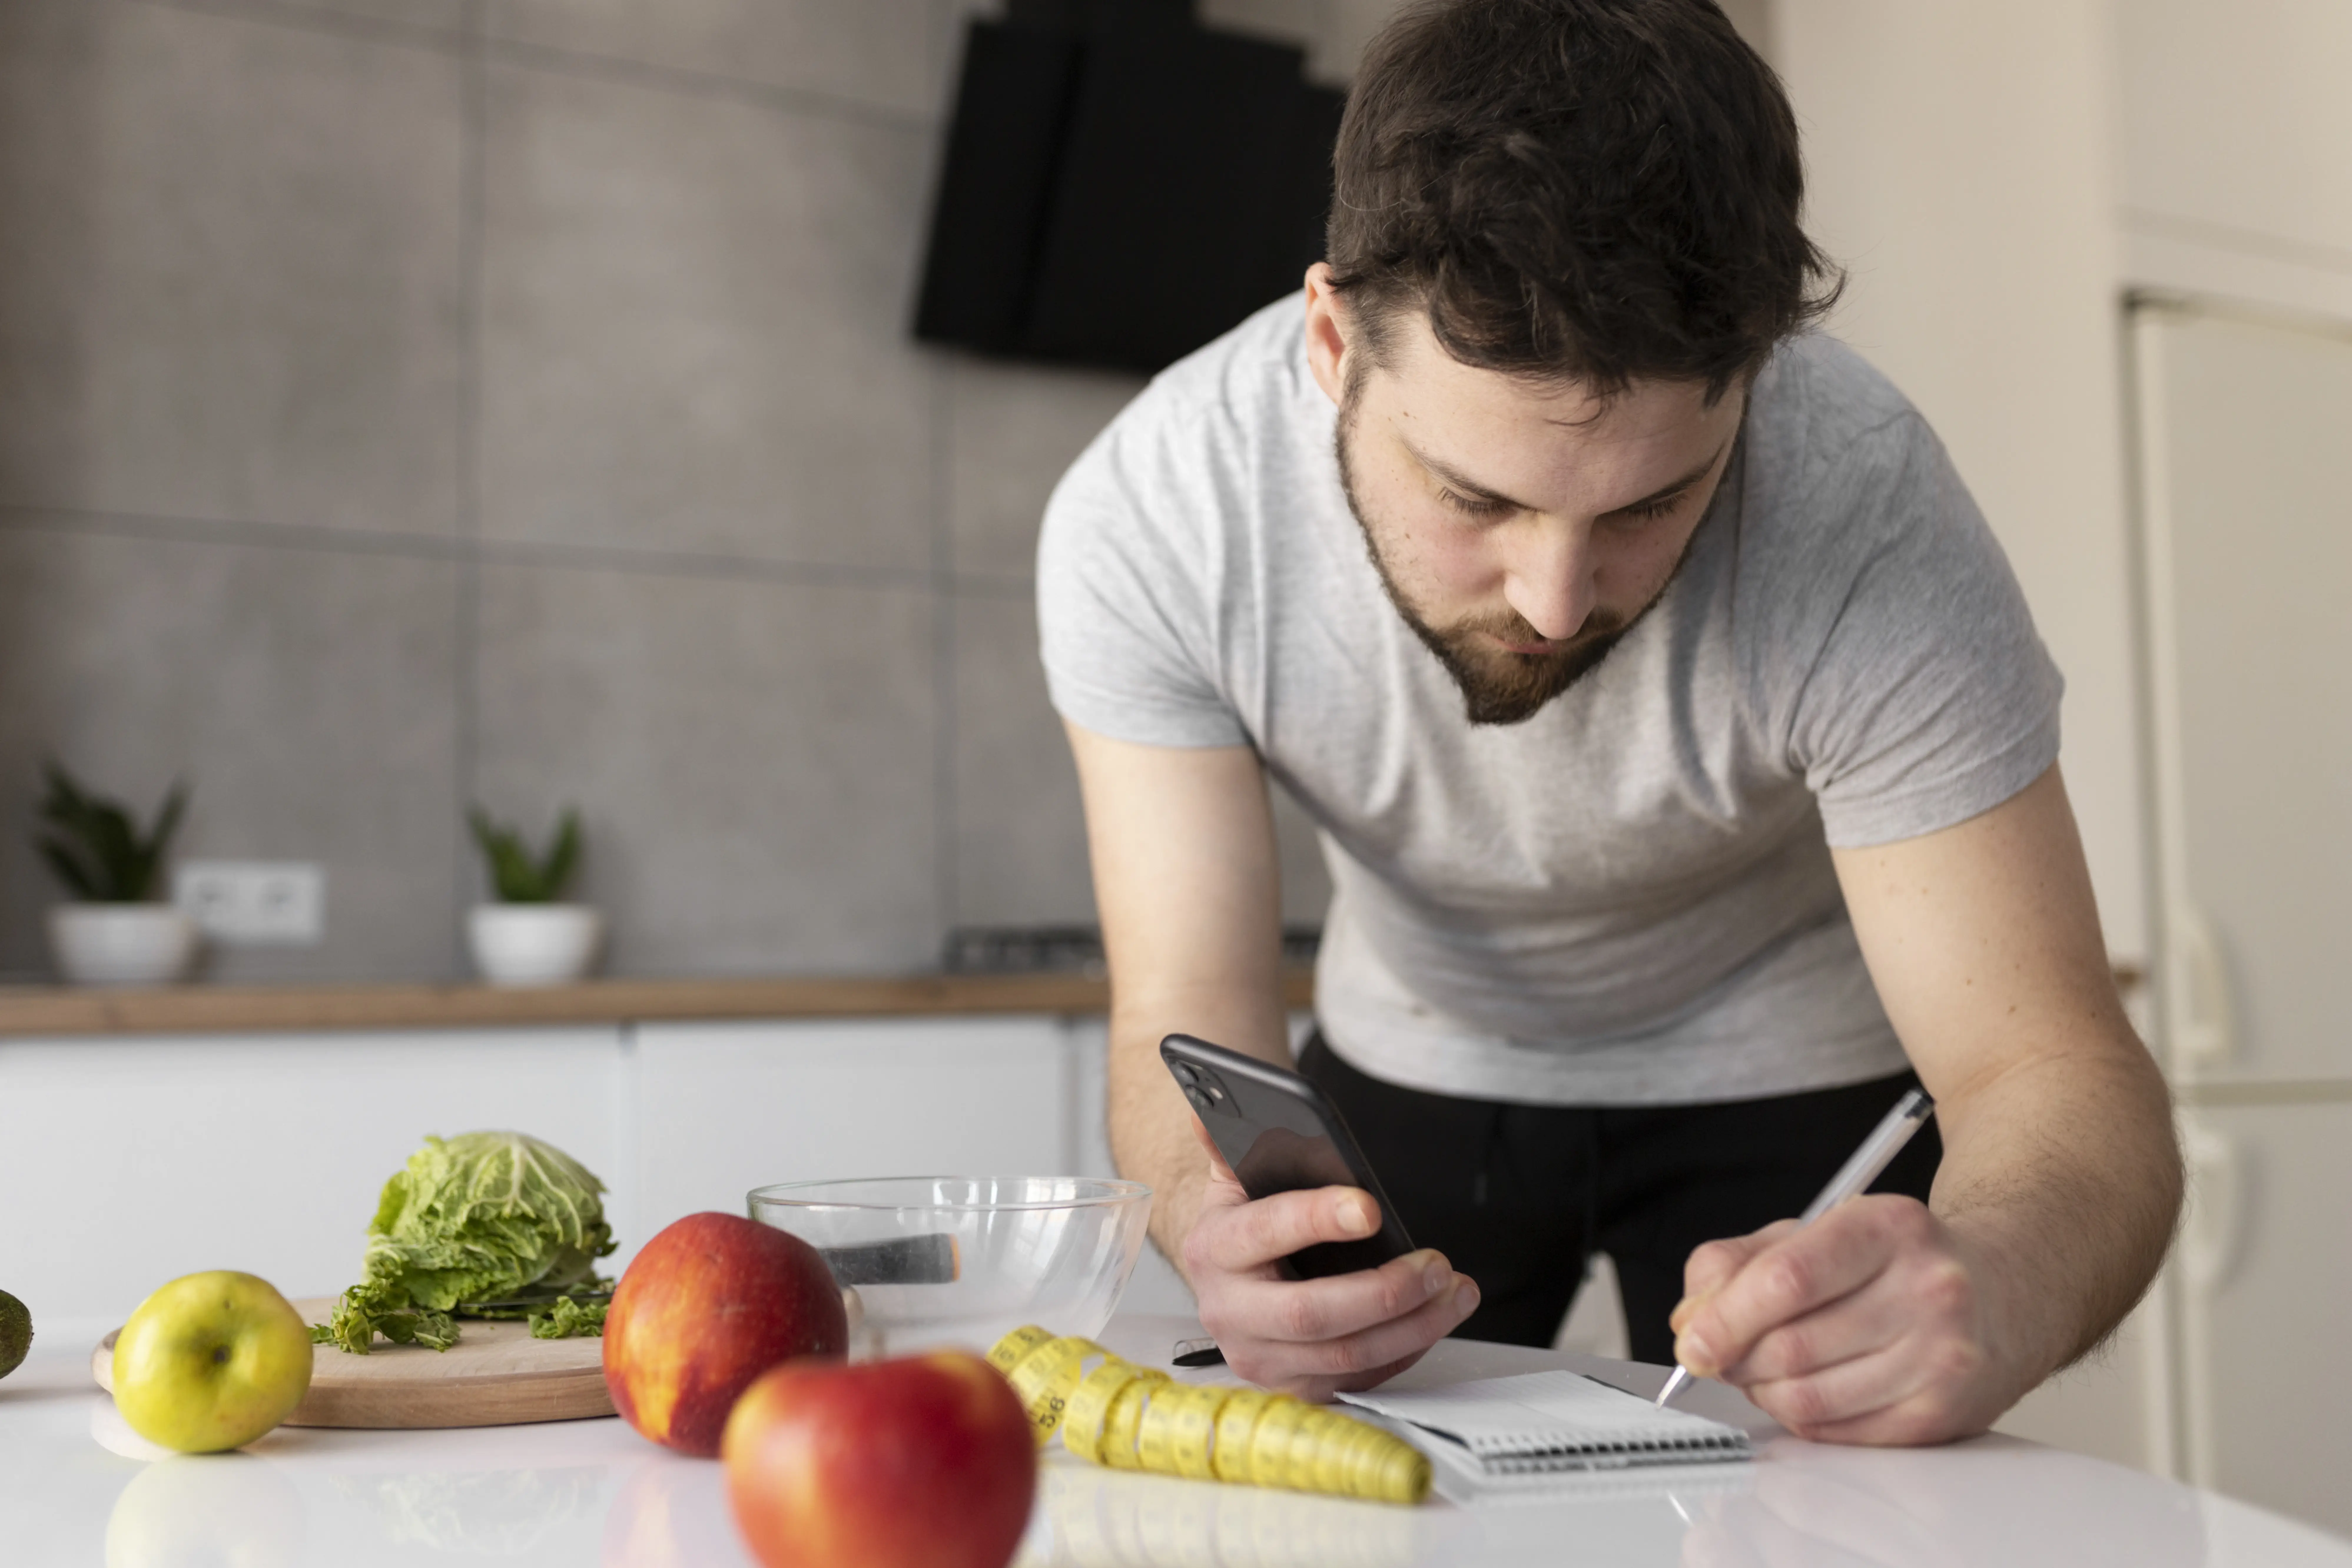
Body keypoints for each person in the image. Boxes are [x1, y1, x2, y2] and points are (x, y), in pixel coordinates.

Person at [1036, 0, 2180, 1446]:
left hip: (1801, 1082)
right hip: (1414, 1064)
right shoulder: (1157, 514)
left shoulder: (1870, 512)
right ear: (1332, 343)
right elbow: (1182, 1012)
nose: (1557, 599)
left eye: (1648, 504)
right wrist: (1207, 1219)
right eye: (1473, 496)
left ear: (1752, 382)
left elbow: (2055, 1072)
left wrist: (2004, 1278)